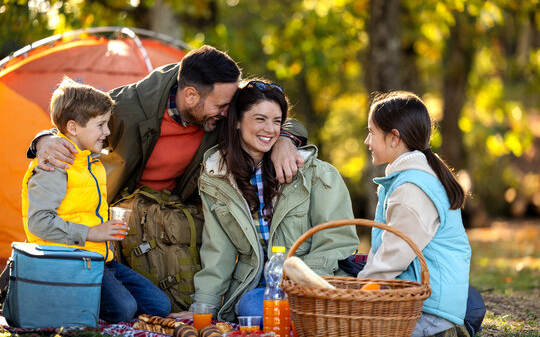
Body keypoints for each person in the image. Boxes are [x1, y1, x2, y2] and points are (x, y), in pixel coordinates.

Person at [27, 45, 307, 205]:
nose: (227, 113)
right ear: (191, 95)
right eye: (221, 107)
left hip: (177, 218)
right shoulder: (125, 107)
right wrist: (43, 140)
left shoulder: (223, 100)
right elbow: (73, 126)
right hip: (119, 213)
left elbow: (269, 114)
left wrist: (284, 138)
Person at [181, 79, 359, 322]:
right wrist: (203, 309)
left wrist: (301, 286)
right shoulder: (217, 178)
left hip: (315, 280)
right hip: (255, 288)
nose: (270, 130)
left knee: (266, 310)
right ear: (236, 122)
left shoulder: (316, 173)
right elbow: (217, 253)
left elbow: (336, 241)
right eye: (260, 119)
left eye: (277, 121)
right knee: (252, 308)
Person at [21, 77, 171, 323]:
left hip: (100, 258)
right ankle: (65, 305)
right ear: (73, 128)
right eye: (101, 125)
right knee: (124, 309)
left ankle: (96, 299)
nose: (108, 132)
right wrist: (92, 232)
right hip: (68, 263)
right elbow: (38, 223)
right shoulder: (55, 166)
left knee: (160, 305)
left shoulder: (92, 161)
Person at [359, 91, 471, 337]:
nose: (367, 141)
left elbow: (392, 257)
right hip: (419, 301)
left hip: (429, 312)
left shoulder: (412, 188)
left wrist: (356, 295)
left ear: (393, 138)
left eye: (371, 132)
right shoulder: (408, 177)